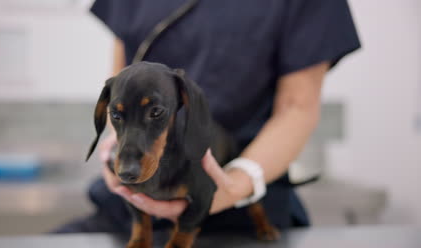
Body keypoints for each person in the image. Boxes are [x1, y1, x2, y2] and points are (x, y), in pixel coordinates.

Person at [55, 0, 360, 233]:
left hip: (239, 217)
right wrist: (116, 141)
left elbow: (297, 107)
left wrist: (237, 183)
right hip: (129, 214)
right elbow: (124, 81)